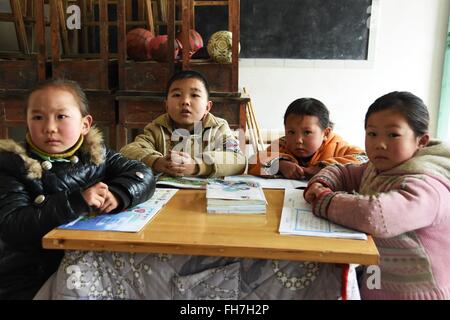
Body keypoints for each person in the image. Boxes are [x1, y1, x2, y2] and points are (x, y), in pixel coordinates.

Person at [0, 79, 156, 300]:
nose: (49, 127)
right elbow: (12, 224)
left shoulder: (94, 154)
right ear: (26, 123)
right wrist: (77, 201)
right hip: (33, 275)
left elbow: (141, 172)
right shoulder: (14, 164)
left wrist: (120, 193)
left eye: (61, 116)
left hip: (90, 264)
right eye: (37, 117)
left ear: (85, 124)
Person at [304, 91, 450, 300]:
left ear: (422, 141)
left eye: (393, 135)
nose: (380, 144)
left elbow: (375, 216)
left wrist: (324, 200)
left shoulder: (429, 185)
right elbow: (343, 172)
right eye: (372, 134)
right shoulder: (377, 168)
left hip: (416, 292)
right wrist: (320, 182)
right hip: (377, 279)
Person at [120, 70, 246, 177]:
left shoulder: (218, 128)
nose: (185, 101)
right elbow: (127, 151)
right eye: (177, 95)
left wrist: (196, 165)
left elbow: (238, 159)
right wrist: (157, 162)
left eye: (195, 95)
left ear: (208, 107)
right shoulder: (157, 128)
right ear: (166, 105)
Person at [248, 98, 366, 179]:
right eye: (291, 132)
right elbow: (253, 163)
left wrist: (324, 167)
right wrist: (279, 165)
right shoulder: (282, 145)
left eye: (307, 132)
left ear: (325, 133)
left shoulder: (337, 146)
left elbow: (365, 159)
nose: (298, 139)